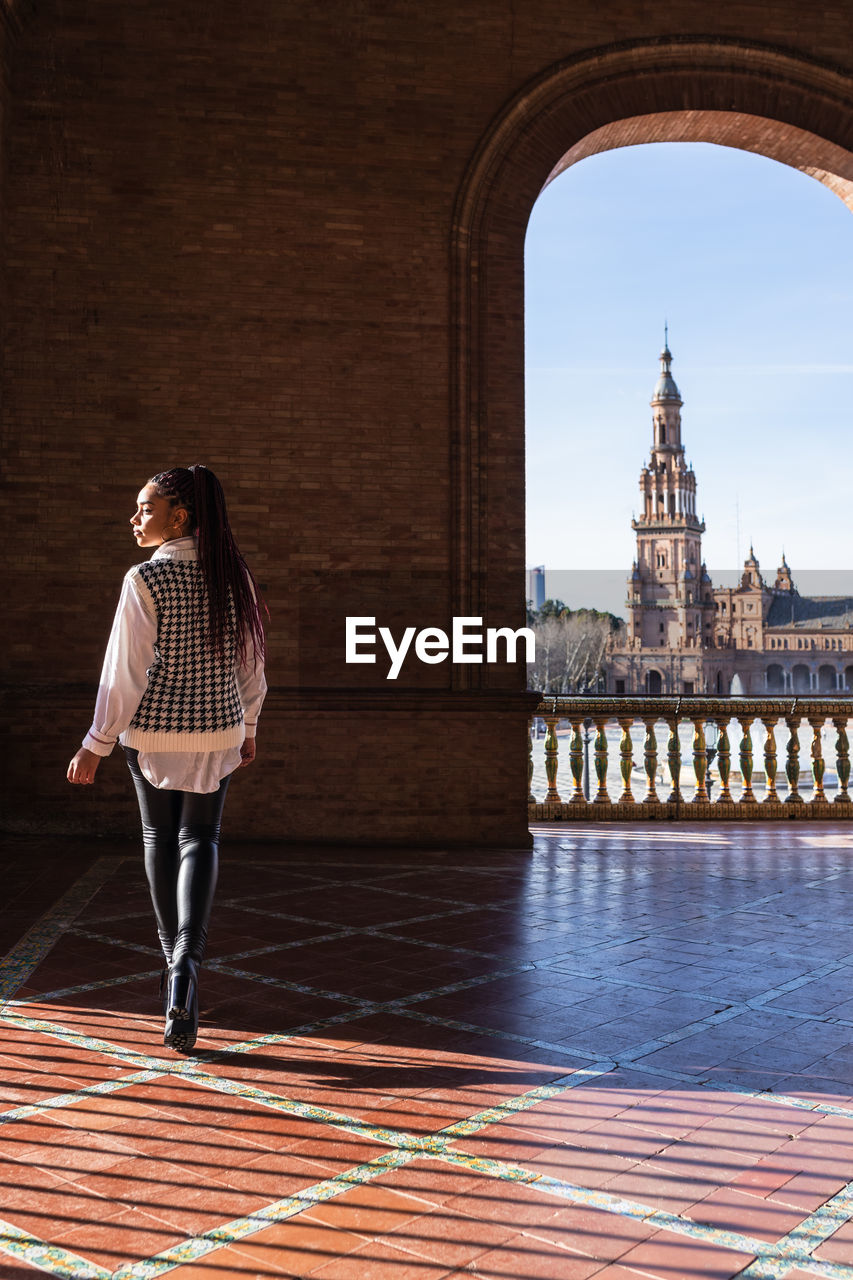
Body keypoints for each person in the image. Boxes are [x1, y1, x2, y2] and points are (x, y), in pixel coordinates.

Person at [67, 465, 267, 1053]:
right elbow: (252, 662)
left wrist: (95, 742)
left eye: (145, 508)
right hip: (219, 729)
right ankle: (186, 965)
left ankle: (171, 964)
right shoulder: (234, 577)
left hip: (154, 732)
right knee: (201, 839)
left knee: (160, 836)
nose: (135, 519)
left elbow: (124, 673)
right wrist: (249, 722)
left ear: (178, 516)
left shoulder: (145, 579)